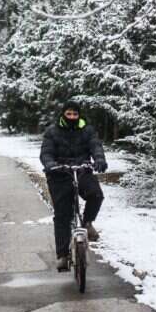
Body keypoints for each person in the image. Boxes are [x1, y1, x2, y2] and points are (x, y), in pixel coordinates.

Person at [40, 100, 107, 272]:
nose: (72, 117)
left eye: (75, 114)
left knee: (96, 194)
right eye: (68, 114)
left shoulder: (87, 130)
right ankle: (63, 255)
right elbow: (46, 152)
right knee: (63, 215)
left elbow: (95, 145)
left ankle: (87, 223)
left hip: (82, 170)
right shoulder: (52, 131)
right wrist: (50, 164)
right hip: (59, 174)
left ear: (79, 115)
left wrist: (99, 159)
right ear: (63, 114)